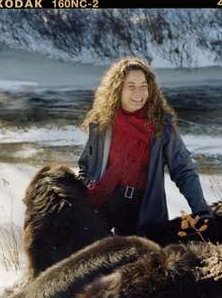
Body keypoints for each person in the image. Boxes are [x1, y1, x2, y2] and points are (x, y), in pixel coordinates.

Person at [78, 57, 212, 237]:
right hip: (102, 206)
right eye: (131, 86)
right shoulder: (102, 122)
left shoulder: (161, 126)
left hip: (143, 212)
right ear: (117, 88)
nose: (138, 93)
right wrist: (79, 203)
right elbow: (86, 167)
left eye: (143, 86)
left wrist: (201, 210)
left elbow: (183, 170)